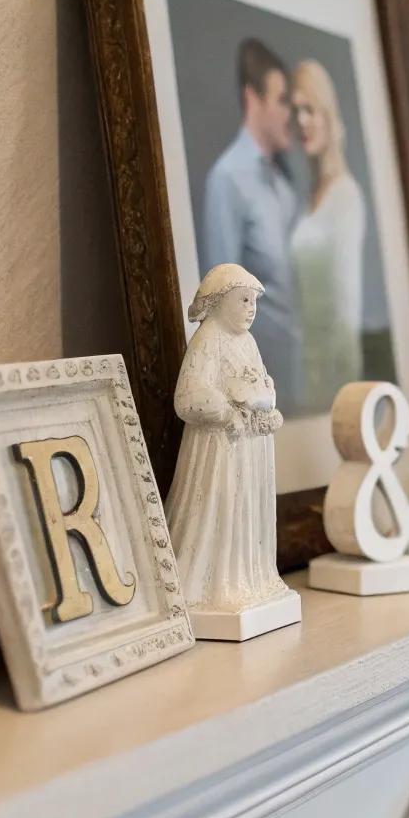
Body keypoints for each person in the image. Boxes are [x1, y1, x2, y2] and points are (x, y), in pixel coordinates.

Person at [166, 263, 289, 617]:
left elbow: (262, 383)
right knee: (223, 508)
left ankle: (251, 577)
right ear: (219, 302)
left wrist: (262, 397)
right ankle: (219, 584)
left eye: (254, 301)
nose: (251, 308)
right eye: (243, 299)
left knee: (245, 510)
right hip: (220, 449)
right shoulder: (208, 340)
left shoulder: (247, 341)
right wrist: (227, 406)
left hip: (249, 447)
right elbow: (187, 397)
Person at [195, 39, 301, 414]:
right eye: (283, 100)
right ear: (252, 99)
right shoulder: (228, 179)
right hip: (260, 384)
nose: (293, 114)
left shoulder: (284, 187)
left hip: (299, 376)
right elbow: (221, 290)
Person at [289, 60, 366, 415]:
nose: (301, 120)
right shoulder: (309, 197)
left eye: (309, 109)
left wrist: (342, 389)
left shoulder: (345, 196)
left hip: (333, 372)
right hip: (304, 363)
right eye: (295, 110)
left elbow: (346, 308)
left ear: (327, 113)